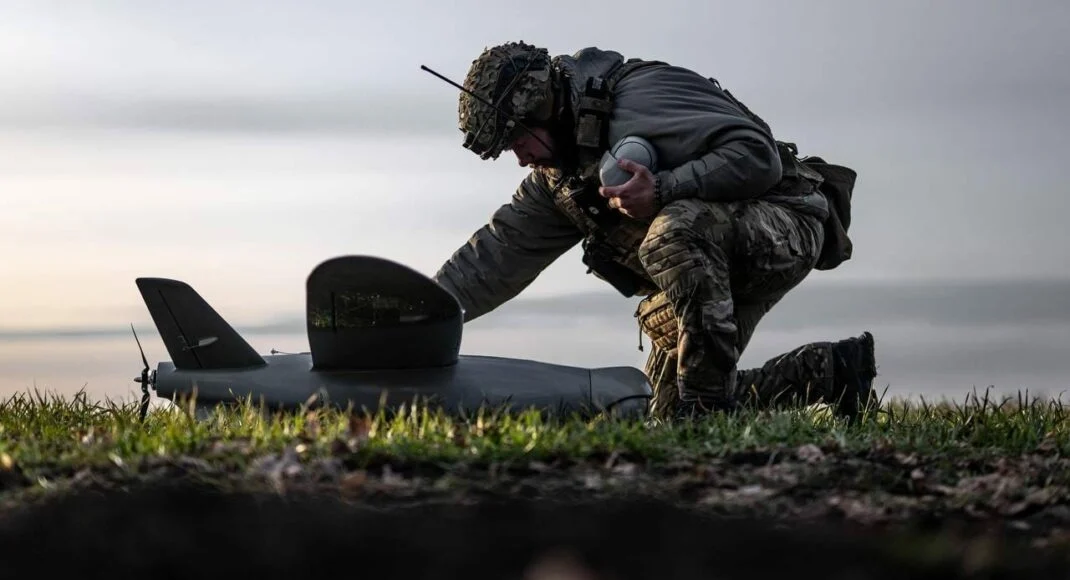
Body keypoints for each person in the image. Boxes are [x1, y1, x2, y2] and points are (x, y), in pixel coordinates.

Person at [430, 41, 878, 421]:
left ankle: (708, 413)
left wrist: (663, 188)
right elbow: (494, 256)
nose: (520, 158)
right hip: (705, 262)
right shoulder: (557, 181)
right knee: (667, 415)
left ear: (540, 108)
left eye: (516, 141)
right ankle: (830, 372)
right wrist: (415, 312)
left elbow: (757, 156)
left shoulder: (644, 98)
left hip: (785, 224)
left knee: (672, 234)